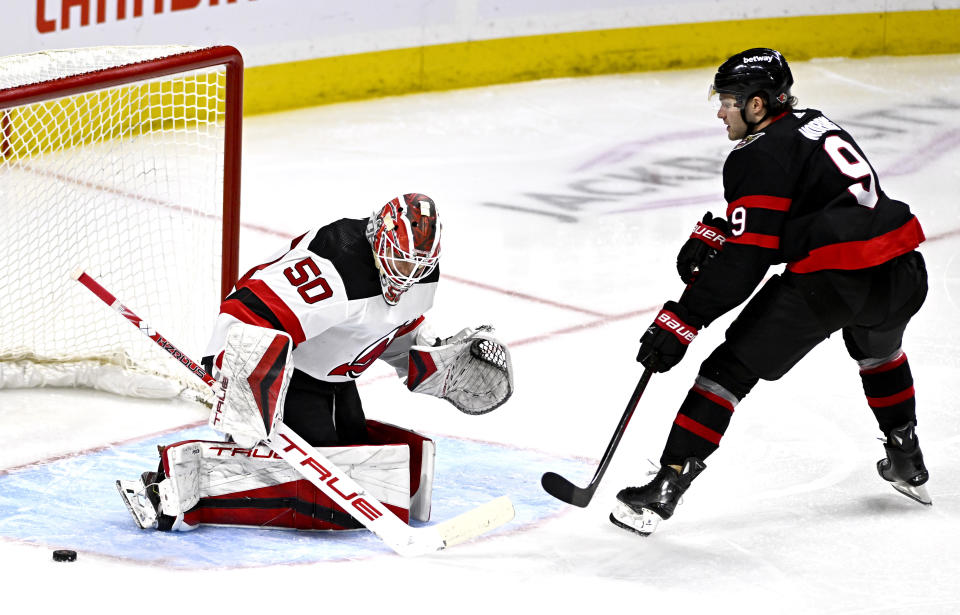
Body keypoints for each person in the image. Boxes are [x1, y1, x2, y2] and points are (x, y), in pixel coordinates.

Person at [609, 49, 930, 537]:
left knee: (726, 372)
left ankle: (667, 485)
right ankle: (906, 455)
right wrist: (723, 232)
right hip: (902, 270)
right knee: (877, 351)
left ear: (757, 105)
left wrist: (683, 320)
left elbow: (747, 262)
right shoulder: (814, 124)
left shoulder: (756, 153)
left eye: (729, 101)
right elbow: (804, 213)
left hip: (833, 281)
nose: (720, 111)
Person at [117, 193, 513, 532]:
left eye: (417, 266)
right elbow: (248, 308)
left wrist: (429, 360)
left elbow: (388, 330)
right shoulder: (335, 263)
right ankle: (173, 483)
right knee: (324, 495)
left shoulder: (423, 275)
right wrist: (235, 373)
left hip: (337, 380)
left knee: (363, 470)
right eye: (400, 259)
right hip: (288, 376)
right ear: (378, 234)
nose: (406, 274)